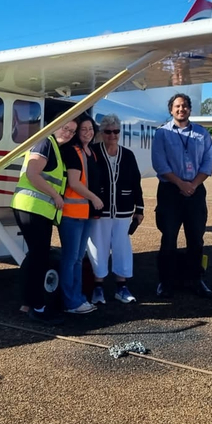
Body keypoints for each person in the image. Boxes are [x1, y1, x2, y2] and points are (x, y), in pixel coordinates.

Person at [9, 119, 76, 323]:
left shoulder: (52, 145)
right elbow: (32, 173)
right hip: (32, 208)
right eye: (65, 127)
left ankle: (29, 302)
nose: (68, 132)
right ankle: (38, 307)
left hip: (35, 209)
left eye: (72, 131)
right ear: (54, 125)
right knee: (39, 258)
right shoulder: (45, 142)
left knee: (35, 257)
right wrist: (56, 196)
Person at [151, 92, 212, 298]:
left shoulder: (202, 133)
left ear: (189, 109)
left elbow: (207, 162)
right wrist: (180, 183)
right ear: (171, 110)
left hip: (195, 191)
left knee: (196, 238)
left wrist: (193, 185)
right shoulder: (161, 133)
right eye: (177, 106)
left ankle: (195, 279)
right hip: (170, 190)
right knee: (168, 237)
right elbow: (159, 164)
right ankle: (166, 282)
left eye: (185, 106)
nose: (181, 109)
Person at [87, 114, 144, 304]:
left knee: (122, 248)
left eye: (116, 131)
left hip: (123, 210)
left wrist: (140, 208)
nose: (112, 135)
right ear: (102, 133)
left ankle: (122, 287)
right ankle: (98, 288)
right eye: (108, 131)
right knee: (98, 248)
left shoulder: (127, 155)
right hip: (99, 211)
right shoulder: (93, 152)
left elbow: (136, 181)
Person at [59, 114, 104, 314]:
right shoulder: (72, 151)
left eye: (91, 129)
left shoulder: (90, 152)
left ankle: (78, 298)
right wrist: (94, 198)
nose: (88, 132)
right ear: (77, 132)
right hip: (72, 212)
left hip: (85, 213)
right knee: (70, 259)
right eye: (84, 129)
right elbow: (74, 183)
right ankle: (70, 302)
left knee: (77, 258)